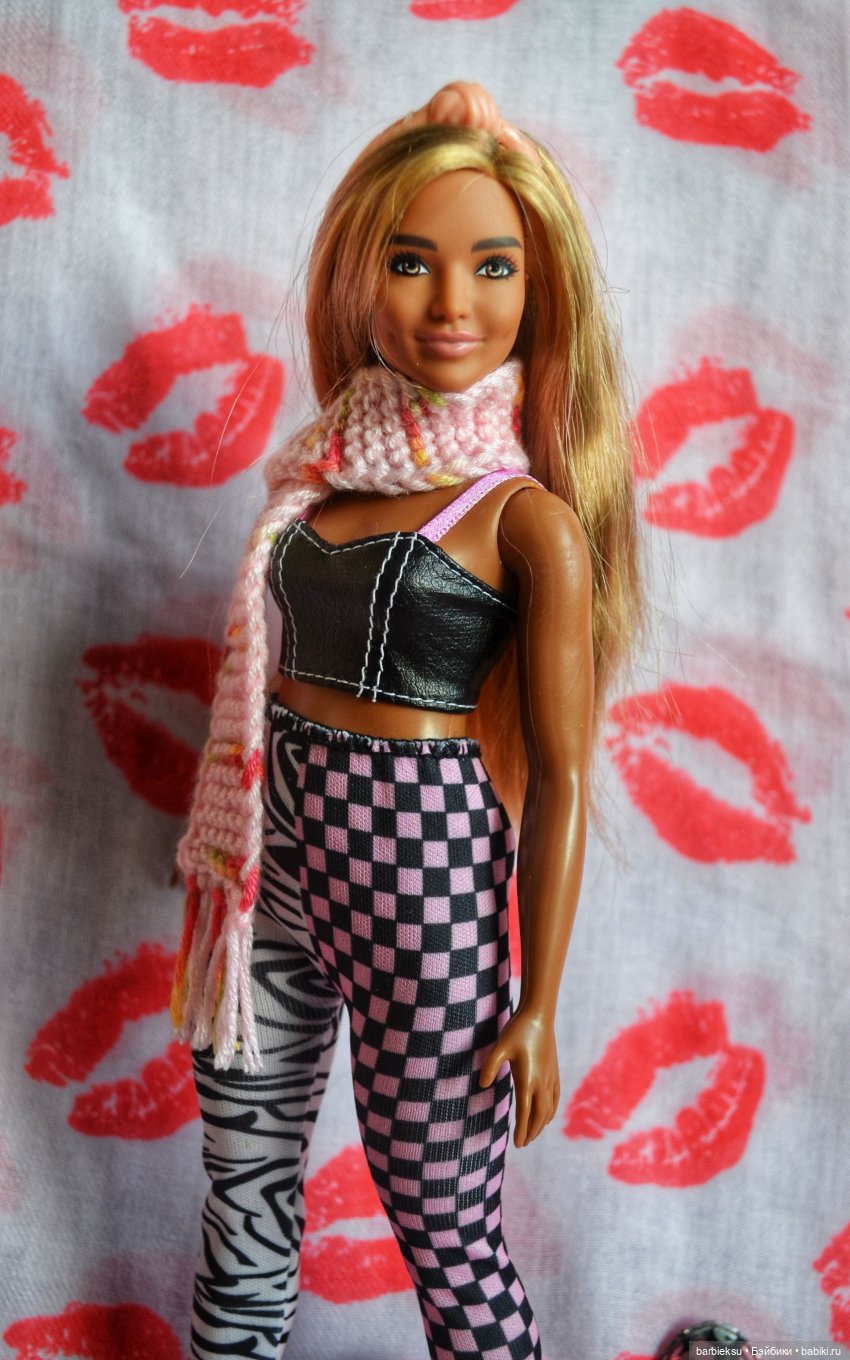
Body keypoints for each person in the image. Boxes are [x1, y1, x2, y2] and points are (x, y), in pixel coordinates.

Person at [172, 82, 643, 1360]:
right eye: (410, 260)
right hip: (266, 863)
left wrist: (537, 999)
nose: (450, 303)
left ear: (538, 290)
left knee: (442, 1219)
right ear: (356, 277)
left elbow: (562, 779)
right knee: (244, 1192)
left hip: (421, 877)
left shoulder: (525, 520)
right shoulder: (318, 481)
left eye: (493, 266)